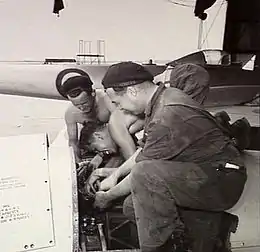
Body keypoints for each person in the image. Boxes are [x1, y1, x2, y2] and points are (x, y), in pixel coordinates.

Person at [87, 61, 247, 252]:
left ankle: (163, 248)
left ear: (132, 91)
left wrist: (107, 197)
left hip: (222, 181)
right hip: (206, 172)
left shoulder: (168, 114)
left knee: (145, 175)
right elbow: (145, 150)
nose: (120, 109)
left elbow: (144, 170)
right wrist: (115, 174)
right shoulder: (162, 99)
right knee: (132, 206)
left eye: (117, 102)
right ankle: (210, 228)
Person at [60, 73, 143, 162]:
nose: (81, 108)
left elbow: (123, 124)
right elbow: (73, 141)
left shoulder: (107, 99)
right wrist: (76, 161)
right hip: (98, 143)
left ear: (92, 93)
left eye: (84, 103)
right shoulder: (71, 113)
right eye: (76, 105)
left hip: (121, 134)